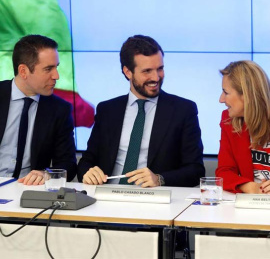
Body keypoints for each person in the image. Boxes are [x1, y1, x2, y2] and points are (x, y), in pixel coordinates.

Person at [78, 34, 205, 187]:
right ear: (127, 72)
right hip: (108, 196)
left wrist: (159, 179)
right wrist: (88, 173)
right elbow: (87, 161)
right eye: (147, 71)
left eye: (160, 69)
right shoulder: (107, 110)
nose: (156, 77)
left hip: (156, 200)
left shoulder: (183, 110)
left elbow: (195, 170)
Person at [0, 34, 77, 185]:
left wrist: (46, 174)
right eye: (48, 69)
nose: (56, 76)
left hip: (28, 190)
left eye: (56, 67)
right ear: (23, 71)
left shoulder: (60, 110)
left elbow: (68, 165)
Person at [216, 60, 270, 194]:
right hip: (251, 204)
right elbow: (224, 172)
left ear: (247, 95)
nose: (221, 99)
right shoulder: (228, 120)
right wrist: (249, 186)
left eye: (226, 92)